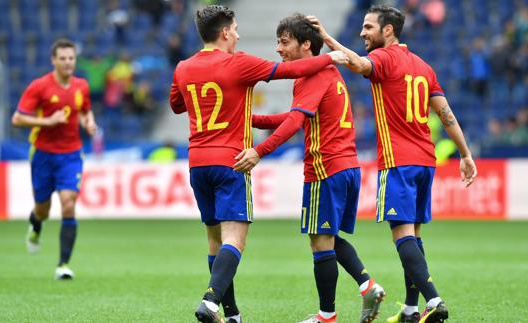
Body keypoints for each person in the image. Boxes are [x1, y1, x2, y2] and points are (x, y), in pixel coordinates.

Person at [168, 5, 349, 323]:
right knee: (234, 239)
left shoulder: (183, 67)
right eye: (235, 29)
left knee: (214, 240)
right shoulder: (239, 63)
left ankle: (232, 315)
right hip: (231, 161)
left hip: (197, 162)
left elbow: (176, 105)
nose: (237, 35)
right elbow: (289, 71)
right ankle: (211, 301)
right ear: (224, 32)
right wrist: (329, 58)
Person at [307, 6, 477, 323]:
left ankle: (434, 300)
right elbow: (446, 113)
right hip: (425, 161)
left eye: (368, 27)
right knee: (413, 236)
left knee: (402, 237)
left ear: (388, 31)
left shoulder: (385, 59)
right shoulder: (424, 67)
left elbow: (356, 63)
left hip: (398, 162)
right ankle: (411, 310)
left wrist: (327, 39)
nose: (362, 33)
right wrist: (465, 154)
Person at [234, 14, 385, 323]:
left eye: (284, 42)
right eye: (277, 41)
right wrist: (251, 119)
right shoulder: (328, 73)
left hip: (324, 168)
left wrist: (260, 150)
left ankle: (327, 316)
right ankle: (367, 285)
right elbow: (296, 115)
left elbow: (294, 122)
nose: (278, 49)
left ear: (306, 45)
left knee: (319, 241)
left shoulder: (311, 77)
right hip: (347, 166)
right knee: (326, 237)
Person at [11, 39, 98, 280]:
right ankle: (36, 225)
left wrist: (88, 122)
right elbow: (17, 119)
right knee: (43, 209)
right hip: (43, 154)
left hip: (70, 154)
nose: (68, 62)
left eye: (71, 58)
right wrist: (47, 122)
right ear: (54, 60)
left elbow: (84, 110)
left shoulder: (81, 85)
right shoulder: (39, 87)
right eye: (63, 58)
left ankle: (63, 265)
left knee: (68, 203)